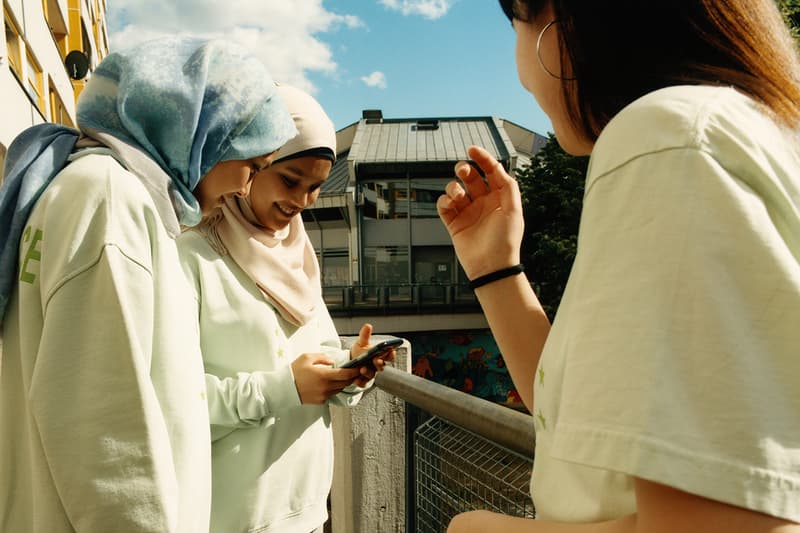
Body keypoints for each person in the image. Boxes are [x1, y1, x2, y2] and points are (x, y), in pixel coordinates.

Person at [440, 1, 800, 532]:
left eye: (513, 23)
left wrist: (473, 528)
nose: (518, 72)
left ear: (563, 22)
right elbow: (587, 430)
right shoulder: (747, 133)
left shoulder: (666, 136)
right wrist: (495, 269)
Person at [0, 37, 296, 532]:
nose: (246, 187)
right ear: (201, 134)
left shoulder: (83, 187)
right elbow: (104, 427)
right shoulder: (111, 199)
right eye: (254, 164)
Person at [177, 83, 394, 533]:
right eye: (290, 180)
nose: (302, 201)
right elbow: (171, 401)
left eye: (315, 187)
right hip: (230, 518)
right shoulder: (191, 255)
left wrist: (347, 370)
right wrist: (284, 388)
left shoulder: (297, 257)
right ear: (252, 163)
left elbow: (309, 362)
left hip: (309, 511)